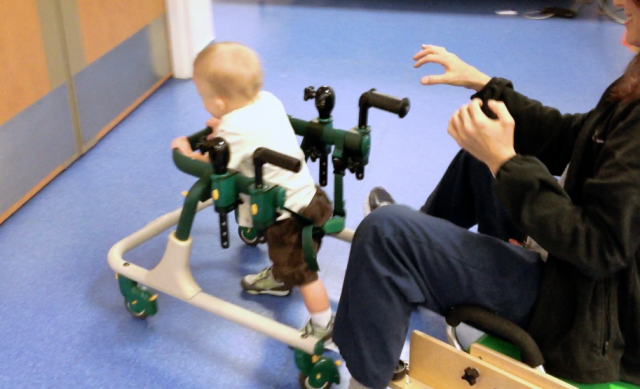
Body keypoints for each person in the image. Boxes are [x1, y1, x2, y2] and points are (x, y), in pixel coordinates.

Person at [334, 0, 640, 387]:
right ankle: (416, 254)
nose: (618, 2)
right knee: (478, 161)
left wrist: (506, 163)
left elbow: (599, 249)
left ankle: (366, 373)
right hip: (581, 278)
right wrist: (482, 84)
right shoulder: (633, 86)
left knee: (385, 234)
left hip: (586, 311)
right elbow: (571, 136)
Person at [171, 42, 336, 342]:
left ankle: (324, 325)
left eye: (203, 97)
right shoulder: (268, 100)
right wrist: (224, 127)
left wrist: (185, 150)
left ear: (220, 103)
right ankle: (279, 277)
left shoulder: (233, 130)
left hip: (289, 217)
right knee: (287, 257)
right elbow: (253, 130)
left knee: (304, 272)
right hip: (312, 197)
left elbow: (214, 164)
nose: (202, 102)